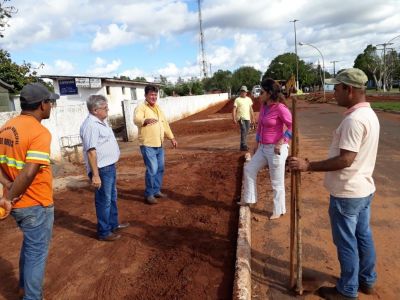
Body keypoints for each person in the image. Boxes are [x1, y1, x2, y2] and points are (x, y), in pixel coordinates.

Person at [289, 68, 379, 300]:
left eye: (336, 88)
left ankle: (348, 290)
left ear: (349, 90)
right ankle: (366, 281)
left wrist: (308, 166)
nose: (333, 92)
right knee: (362, 236)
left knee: (347, 242)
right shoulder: (369, 115)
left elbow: (345, 159)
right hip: (363, 189)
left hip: (348, 192)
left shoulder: (354, 120)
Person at [0, 83, 58, 299]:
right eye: (50, 102)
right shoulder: (39, 132)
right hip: (36, 204)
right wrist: (9, 196)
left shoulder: (7, 127)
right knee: (36, 253)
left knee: (30, 245)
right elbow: (28, 172)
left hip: (16, 203)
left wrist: (7, 188)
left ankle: (24, 286)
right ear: (42, 105)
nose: (51, 106)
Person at [239, 78, 292, 220]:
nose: (259, 95)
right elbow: (261, 127)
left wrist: (282, 141)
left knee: (276, 182)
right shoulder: (264, 107)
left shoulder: (281, 108)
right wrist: (256, 144)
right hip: (263, 147)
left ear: (269, 93)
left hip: (276, 149)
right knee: (249, 169)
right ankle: (249, 199)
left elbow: (292, 126)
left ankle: (279, 209)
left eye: (261, 92)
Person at [80, 95, 129, 242]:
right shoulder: (91, 125)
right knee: (104, 200)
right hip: (101, 169)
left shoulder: (101, 122)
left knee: (112, 197)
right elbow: (91, 151)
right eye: (105, 107)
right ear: (95, 110)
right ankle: (104, 231)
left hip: (109, 167)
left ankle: (113, 224)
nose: (108, 109)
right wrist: (95, 175)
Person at [134, 84, 177, 204]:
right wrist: (144, 120)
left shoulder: (158, 108)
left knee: (160, 168)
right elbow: (136, 119)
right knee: (152, 169)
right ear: (146, 95)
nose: (153, 97)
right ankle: (149, 194)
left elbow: (165, 124)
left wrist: (171, 138)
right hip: (147, 144)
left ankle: (156, 190)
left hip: (159, 144)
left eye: (155, 95)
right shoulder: (141, 108)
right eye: (151, 95)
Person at [232, 85, 255, 151]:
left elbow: (251, 109)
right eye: (242, 91)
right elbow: (234, 109)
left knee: (247, 131)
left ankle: (242, 145)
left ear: (246, 92)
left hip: (248, 118)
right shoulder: (237, 100)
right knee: (244, 130)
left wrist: (253, 118)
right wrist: (234, 118)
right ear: (240, 92)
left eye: (245, 92)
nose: (244, 93)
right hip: (240, 118)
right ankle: (243, 145)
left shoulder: (249, 99)